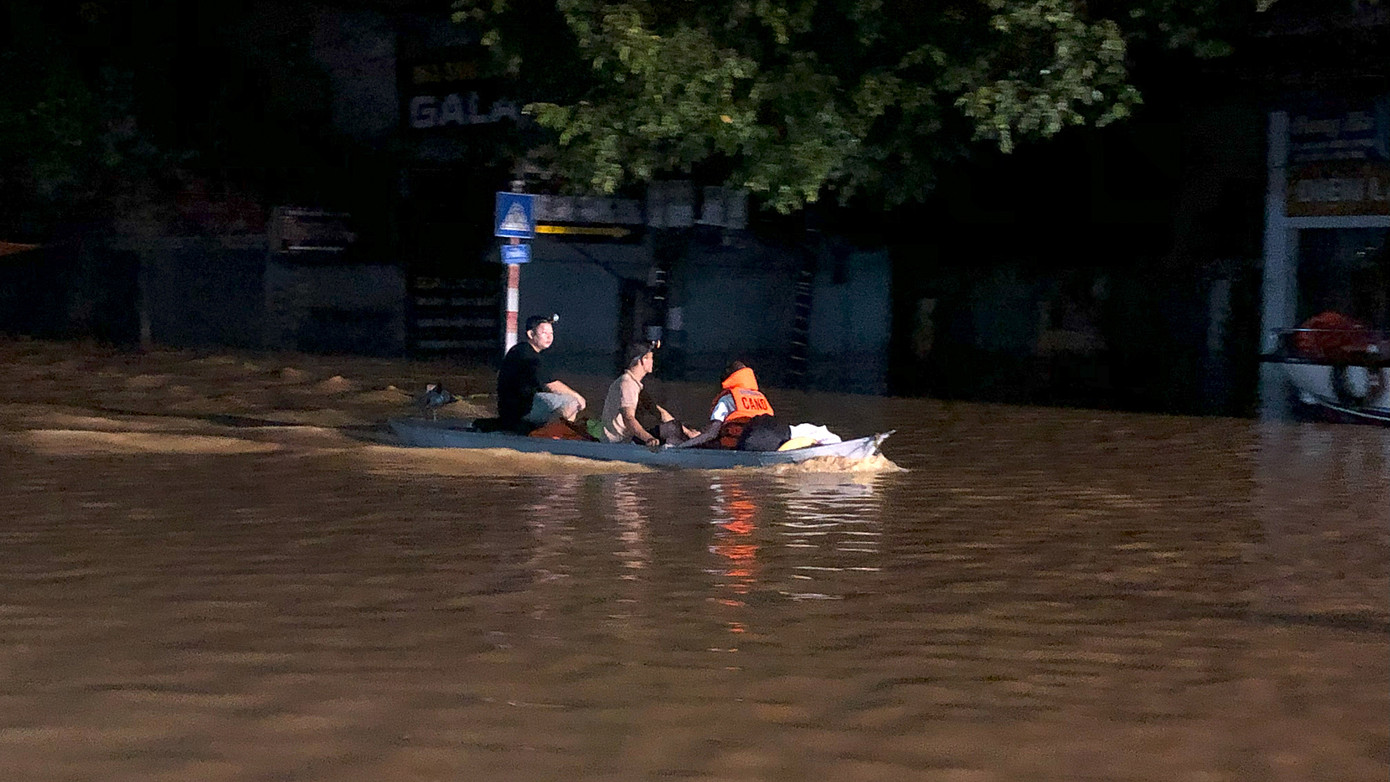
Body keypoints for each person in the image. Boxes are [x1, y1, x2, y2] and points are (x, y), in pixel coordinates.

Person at [495, 314, 586, 432]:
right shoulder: (529, 356)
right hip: (520, 410)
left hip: (510, 409)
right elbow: (551, 385)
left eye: (551, 333)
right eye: (544, 333)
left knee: (559, 400)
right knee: (571, 401)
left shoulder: (520, 350)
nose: (549, 337)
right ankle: (553, 434)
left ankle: (553, 430)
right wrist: (579, 398)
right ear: (531, 334)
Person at [676, 361, 790, 451]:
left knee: (704, 442)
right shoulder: (760, 397)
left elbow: (712, 433)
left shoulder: (727, 399)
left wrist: (681, 448)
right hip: (772, 442)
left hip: (741, 446)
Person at [600, 341, 698, 446]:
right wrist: (649, 439)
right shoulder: (627, 384)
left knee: (674, 427)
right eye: (651, 358)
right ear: (643, 360)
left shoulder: (634, 383)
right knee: (671, 429)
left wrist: (688, 432)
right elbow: (628, 418)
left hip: (629, 439)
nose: (653, 361)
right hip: (620, 443)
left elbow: (658, 412)